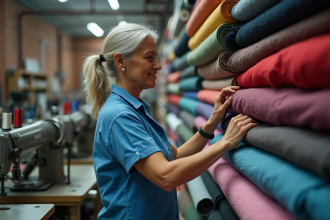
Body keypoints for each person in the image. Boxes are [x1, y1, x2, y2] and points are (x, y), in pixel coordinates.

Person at [83, 23, 258, 220]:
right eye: (150, 57)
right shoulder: (120, 116)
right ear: (121, 60)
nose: (157, 65)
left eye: (156, 57)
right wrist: (225, 143)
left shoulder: (136, 109)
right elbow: (166, 176)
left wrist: (212, 121)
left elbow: (175, 155)